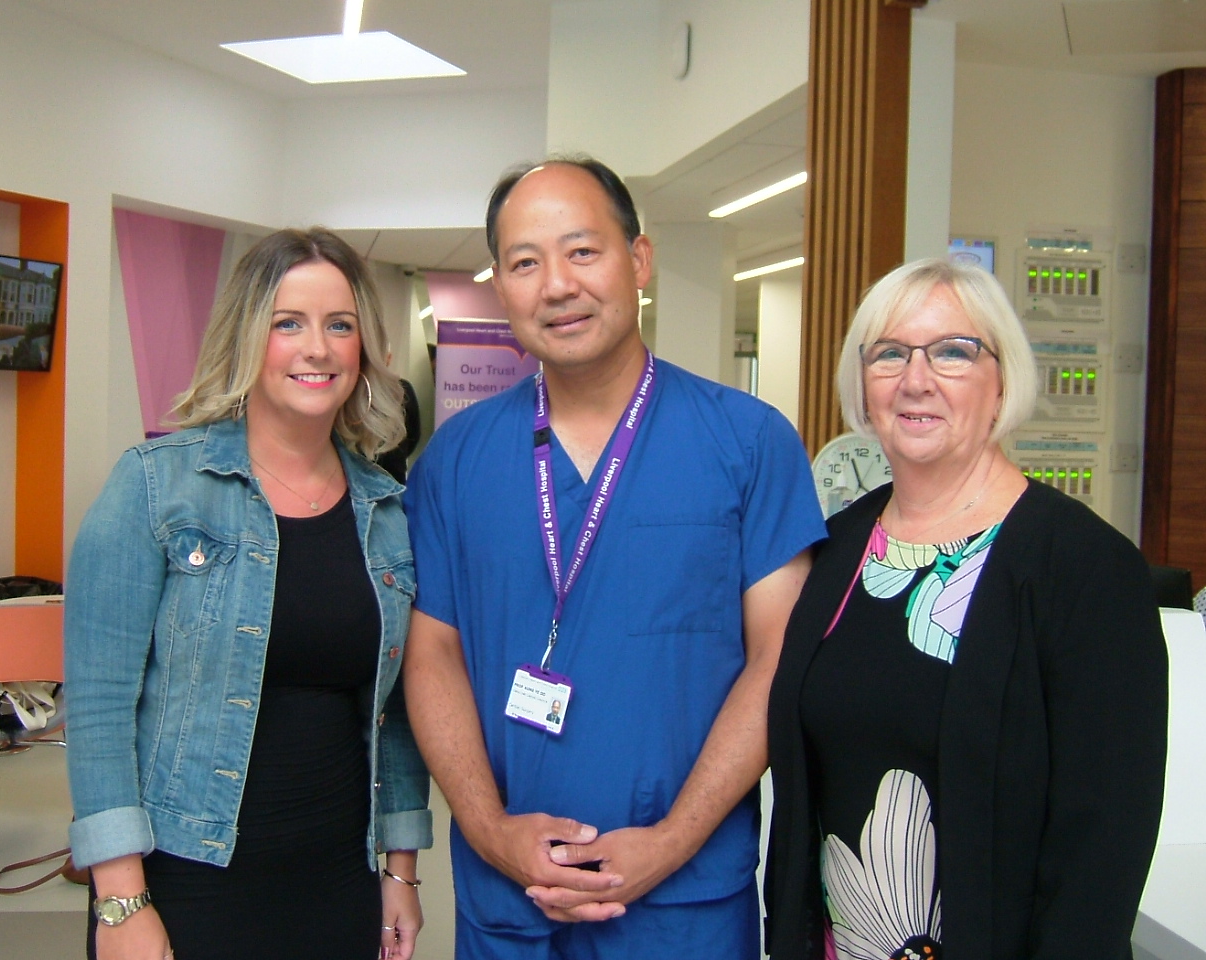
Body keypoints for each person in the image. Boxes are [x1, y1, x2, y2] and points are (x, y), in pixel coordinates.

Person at [403, 156, 826, 959]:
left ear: (639, 259)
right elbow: (432, 653)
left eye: (582, 251)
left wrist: (671, 840)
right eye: (524, 263)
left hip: (684, 906)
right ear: (501, 289)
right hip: (512, 900)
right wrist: (491, 832)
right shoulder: (456, 461)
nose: (557, 285)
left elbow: (779, 658)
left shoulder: (747, 443)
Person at [765, 258, 1167, 960]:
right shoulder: (839, 547)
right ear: (863, 382)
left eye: (952, 352)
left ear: (1002, 379)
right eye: (890, 353)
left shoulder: (1085, 566)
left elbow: (1103, 849)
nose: (916, 379)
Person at [64, 228, 432, 960]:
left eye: (340, 325)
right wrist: (121, 900)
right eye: (288, 323)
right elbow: (99, 706)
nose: (317, 349)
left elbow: (394, 715)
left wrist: (401, 870)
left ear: (363, 349)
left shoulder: (389, 512)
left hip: (338, 875)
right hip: (186, 873)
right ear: (245, 336)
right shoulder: (154, 485)